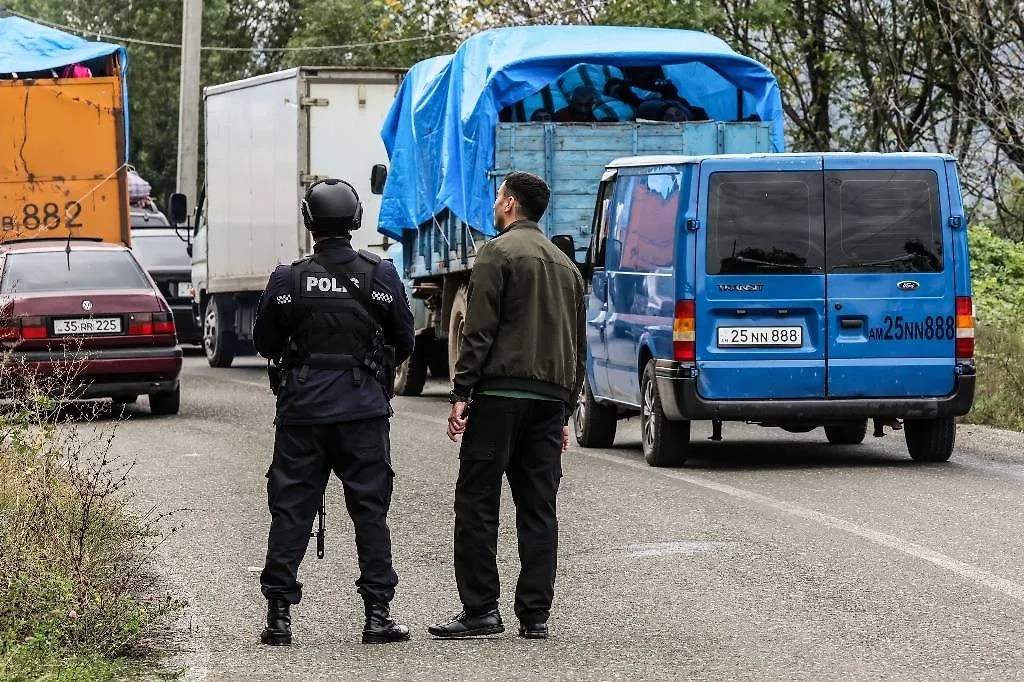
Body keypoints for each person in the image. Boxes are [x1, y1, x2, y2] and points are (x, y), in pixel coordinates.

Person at [252, 178, 415, 646]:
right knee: (370, 512)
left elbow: (264, 342)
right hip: (362, 411)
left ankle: (279, 619)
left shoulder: (288, 278)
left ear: (310, 222)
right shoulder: (379, 273)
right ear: (355, 220)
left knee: (290, 512)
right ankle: (377, 617)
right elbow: (404, 339)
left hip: (302, 413)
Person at [427, 171, 587, 641]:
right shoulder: (567, 266)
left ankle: (481, 611)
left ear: (512, 204)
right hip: (549, 403)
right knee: (539, 509)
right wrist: (565, 410)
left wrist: (461, 394)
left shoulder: (496, 253)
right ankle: (535, 616)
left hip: (498, 398)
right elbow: (577, 347)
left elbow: (477, 332)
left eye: (499, 197)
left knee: (477, 502)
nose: (495, 204)